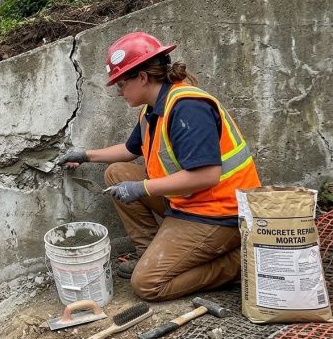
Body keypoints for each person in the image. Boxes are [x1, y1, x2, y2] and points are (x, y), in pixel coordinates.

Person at [58, 32, 261, 301]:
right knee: (116, 173)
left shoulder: (188, 108)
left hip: (220, 213)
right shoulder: (153, 108)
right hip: (188, 201)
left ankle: (236, 264)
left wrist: (141, 188)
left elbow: (207, 176)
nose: (119, 91)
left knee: (147, 285)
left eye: (121, 83)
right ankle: (152, 253)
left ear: (142, 77)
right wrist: (85, 155)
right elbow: (131, 151)